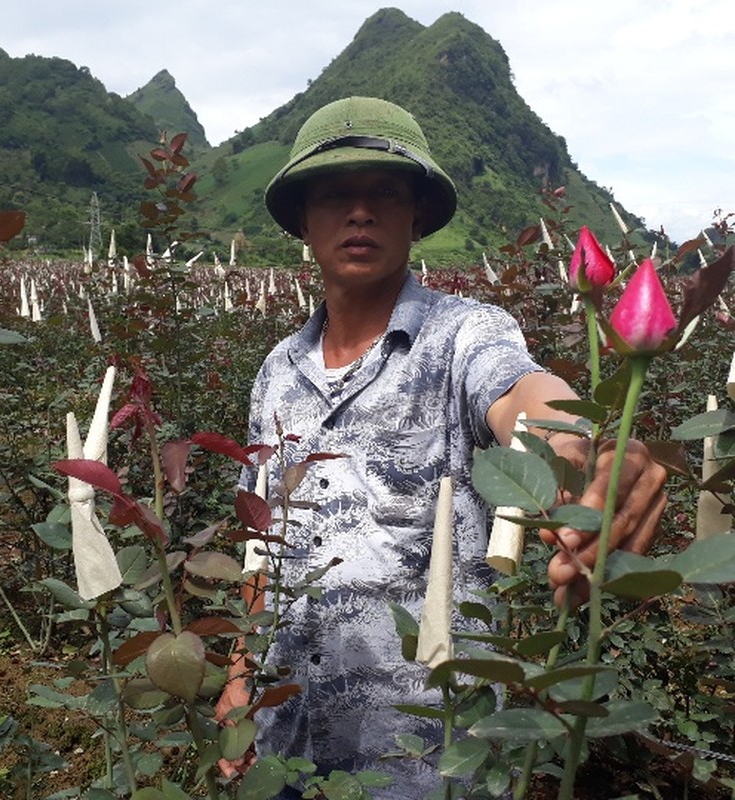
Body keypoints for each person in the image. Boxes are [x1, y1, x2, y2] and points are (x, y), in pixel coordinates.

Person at [217, 96, 667, 798]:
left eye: (385, 193)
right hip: (287, 736)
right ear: (303, 221)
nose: (360, 212)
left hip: (428, 753)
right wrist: (239, 677)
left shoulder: (463, 336)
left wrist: (583, 447)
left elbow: (523, 394)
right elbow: (262, 538)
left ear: (417, 216)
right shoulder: (277, 371)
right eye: (336, 194)